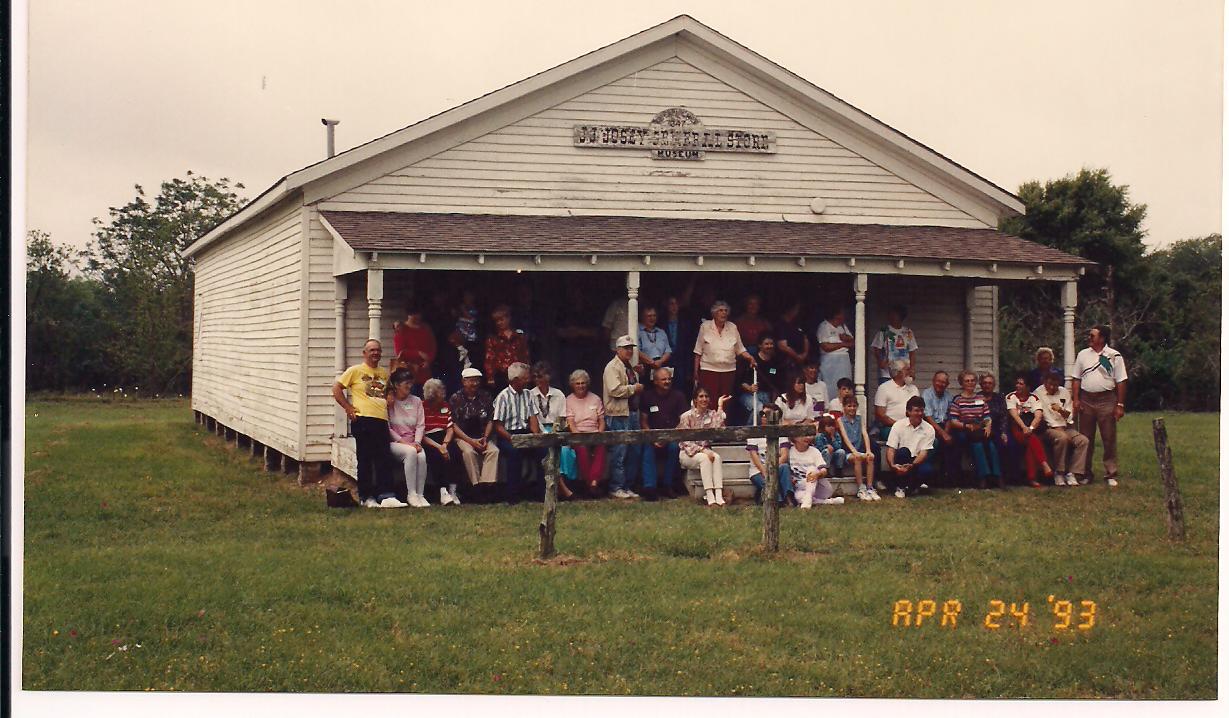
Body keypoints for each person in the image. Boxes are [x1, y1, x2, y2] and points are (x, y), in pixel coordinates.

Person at [331, 339, 405, 508]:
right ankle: (366, 496)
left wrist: (390, 395)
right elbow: (336, 389)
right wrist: (348, 407)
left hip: (381, 420)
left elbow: (388, 390)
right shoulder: (355, 371)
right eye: (371, 350)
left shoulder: (384, 373)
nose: (375, 353)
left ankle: (386, 495)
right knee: (365, 459)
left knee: (383, 458)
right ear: (364, 353)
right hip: (363, 419)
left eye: (378, 350)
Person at [1072, 325, 1128, 487]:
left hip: (1107, 399)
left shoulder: (1114, 356)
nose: (1089, 338)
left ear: (1102, 338)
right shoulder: (1082, 354)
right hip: (1086, 399)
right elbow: (1076, 378)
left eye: (1092, 336)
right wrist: (1076, 399)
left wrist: (1120, 404)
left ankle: (1110, 473)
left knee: (1108, 437)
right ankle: (1085, 473)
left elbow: (1121, 380)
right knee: (1086, 438)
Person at [492, 362, 544, 504]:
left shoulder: (528, 394)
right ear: (515, 380)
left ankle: (541, 493)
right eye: (525, 378)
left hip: (525, 432)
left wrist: (535, 436)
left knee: (543, 451)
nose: (528, 380)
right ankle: (513, 496)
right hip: (507, 435)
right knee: (514, 453)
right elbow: (498, 426)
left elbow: (533, 417)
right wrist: (512, 438)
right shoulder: (503, 397)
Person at [946, 369, 1003, 489]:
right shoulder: (958, 399)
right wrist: (967, 426)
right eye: (967, 381)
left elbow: (987, 416)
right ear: (962, 383)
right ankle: (983, 477)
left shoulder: (980, 398)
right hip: (964, 429)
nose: (970, 383)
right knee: (978, 445)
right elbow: (953, 420)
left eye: (972, 381)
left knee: (991, 445)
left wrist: (988, 426)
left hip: (979, 428)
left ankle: (997, 476)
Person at [603, 335, 644, 499]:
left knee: (634, 451)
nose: (629, 351)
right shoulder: (612, 367)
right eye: (626, 348)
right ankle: (616, 486)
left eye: (631, 348)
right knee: (619, 452)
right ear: (618, 350)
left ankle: (628, 486)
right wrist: (634, 389)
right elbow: (614, 390)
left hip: (632, 413)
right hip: (618, 414)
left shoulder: (629, 367)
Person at [449, 367, 500, 499]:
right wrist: (470, 441)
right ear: (464, 381)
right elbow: (453, 424)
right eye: (471, 381)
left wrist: (485, 437)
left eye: (477, 380)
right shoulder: (456, 398)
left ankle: (486, 486)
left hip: (483, 436)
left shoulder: (485, 396)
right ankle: (475, 487)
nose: (475, 384)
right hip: (463, 437)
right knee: (469, 452)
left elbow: (491, 419)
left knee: (493, 451)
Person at [640, 366, 688, 500]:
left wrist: (669, 438)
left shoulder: (679, 396)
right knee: (647, 449)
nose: (667, 382)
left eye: (669, 379)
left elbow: (684, 421)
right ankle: (649, 488)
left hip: (673, 436)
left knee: (674, 448)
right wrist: (652, 438)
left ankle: (668, 485)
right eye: (663, 379)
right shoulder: (647, 396)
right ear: (655, 381)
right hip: (652, 436)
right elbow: (643, 421)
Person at [677, 387, 731, 506]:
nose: (704, 399)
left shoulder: (711, 414)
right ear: (695, 400)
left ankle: (718, 495)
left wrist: (720, 406)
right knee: (705, 458)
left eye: (706, 396)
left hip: (705, 451)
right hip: (688, 452)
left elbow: (720, 428)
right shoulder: (686, 416)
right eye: (701, 396)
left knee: (716, 457)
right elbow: (684, 440)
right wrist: (702, 450)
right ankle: (710, 496)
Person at [693, 300, 756, 400]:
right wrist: (696, 371)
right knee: (709, 399)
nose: (724, 313)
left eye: (726, 311)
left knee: (725, 400)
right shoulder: (705, 327)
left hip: (728, 370)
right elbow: (698, 351)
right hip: (709, 370)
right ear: (714, 313)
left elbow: (740, 349)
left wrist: (750, 357)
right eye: (721, 310)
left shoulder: (733, 327)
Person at [1037, 370, 1090, 487]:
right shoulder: (1038, 393)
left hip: (1065, 426)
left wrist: (1061, 410)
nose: (1052, 387)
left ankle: (1072, 473)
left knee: (1083, 441)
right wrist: (1059, 430)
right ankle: (1059, 472)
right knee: (1062, 438)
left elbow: (1069, 416)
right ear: (1045, 382)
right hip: (1048, 428)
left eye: (1055, 385)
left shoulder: (1064, 392)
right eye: (1050, 384)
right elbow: (1045, 416)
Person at [386, 369, 430, 507]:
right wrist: (406, 443)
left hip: (413, 441)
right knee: (410, 452)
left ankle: (420, 495)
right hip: (395, 442)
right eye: (406, 383)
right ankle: (411, 494)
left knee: (421, 456)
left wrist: (417, 442)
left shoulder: (416, 401)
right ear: (397, 385)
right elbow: (388, 428)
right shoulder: (389, 402)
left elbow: (420, 425)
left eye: (411, 383)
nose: (410, 386)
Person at [530, 361, 574, 499]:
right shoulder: (530, 395)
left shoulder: (558, 394)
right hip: (540, 431)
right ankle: (562, 489)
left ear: (548, 377)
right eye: (535, 376)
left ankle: (561, 486)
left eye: (540, 376)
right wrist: (544, 433)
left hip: (557, 430)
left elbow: (562, 418)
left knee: (565, 451)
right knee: (548, 452)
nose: (537, 380)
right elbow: (534, 421)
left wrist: (556, 431)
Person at [1005, 373, 1055, 488]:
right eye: (1017, 383)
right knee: (1032, 439)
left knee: (1030, 446)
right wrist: (1024, 428)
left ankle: (1032, 478)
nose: (1018, 386)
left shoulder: (1034, 398)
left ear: (1028, 387)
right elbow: (1014, 415)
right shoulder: (1011, 397)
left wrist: (1031, 428)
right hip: (1016, 427)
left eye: (1021, 384)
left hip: (1031, 428)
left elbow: (1038, 416)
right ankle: (1044, 464)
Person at [564, 369, 607, 497]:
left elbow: (601, 420)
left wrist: (599, 433)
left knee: (601, 447)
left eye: (583, 383)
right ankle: (590, 484)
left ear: (587, 384)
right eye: (577, 383)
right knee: (582, 449)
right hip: (578, 434)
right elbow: (571, 423)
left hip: (595, 433)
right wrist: (578, 436)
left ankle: (593, 482)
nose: (581, 386)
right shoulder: (568, 400)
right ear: (572, 385)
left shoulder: (595, 399)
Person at [421, 377, 463, 506]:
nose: (444, 393)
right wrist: (439, 447)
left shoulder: (445, 405)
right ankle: (442, 491)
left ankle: (453, 490)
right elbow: (421, 433)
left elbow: (450, 428)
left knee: (455, 453)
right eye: (441, 391)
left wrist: (444, 444)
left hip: (444, 437)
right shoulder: (421, 407)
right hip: (428, 439)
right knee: (436, 456)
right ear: (433, 394)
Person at [885, 396, 937, 498]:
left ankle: (911, 487)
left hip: (916, 462)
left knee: (928, 470)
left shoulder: (929, 429)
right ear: (908, 412)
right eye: (916, 411)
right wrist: (892, 465)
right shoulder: (898, 425)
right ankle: (901, 487)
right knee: (904, 451)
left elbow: (923, 453)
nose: (920, 413)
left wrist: (912, 465)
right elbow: (891, 449)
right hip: (901, 459)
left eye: (922, 410)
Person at [735, 332, 786, 425]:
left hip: (766, 395)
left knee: (771, 412)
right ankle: (749, 431)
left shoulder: (775, 362)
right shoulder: (752, 360)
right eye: (766, 344)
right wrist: (750, 388)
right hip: (749, 395)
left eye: (771, 344)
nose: (769, 346)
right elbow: (740, 381)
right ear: (760, 345)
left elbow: (775, 384)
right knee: (759, 408)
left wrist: (774, 401)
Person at [746, 407, 792, 506]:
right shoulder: (754, 433)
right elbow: (754, 456)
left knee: (785, 467)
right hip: (758, 470)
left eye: (766, 414)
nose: (763, 416)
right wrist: (765, 471)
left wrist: (772, 468)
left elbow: (784, 455)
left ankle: (789, 498)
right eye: (762, 413)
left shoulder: (782, 435)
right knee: (767, 483)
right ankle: (778, 501)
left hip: (776, 466)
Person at [921, 370, 959, 487]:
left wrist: (946, 432)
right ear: (933, 381)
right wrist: (943, 434)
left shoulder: (949, 396)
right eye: (938, 381)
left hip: (945, 426)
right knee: (939, 442)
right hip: (930, 425)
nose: (941, 384)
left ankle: (951, 477)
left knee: (956, 440)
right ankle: (935, 478)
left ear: (947, 384)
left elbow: (950, 416)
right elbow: (928, 417)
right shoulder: (927, 394)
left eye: (944, 382)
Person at [836, 395, 878, 501]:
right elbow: (845, 438)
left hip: (859, 450)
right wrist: (854, 451)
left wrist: (868, 450)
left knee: (870, 457)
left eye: (854, 406)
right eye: (849, 406)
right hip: (848, 452)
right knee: (857, 458)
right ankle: (861, 488)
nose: (852, 408)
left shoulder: (859, 419)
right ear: (844, 407)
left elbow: (865, 434)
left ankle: (870, 487)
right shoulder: (840, 420)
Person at [787, 433, 843, 508]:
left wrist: (817, 474)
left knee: (812, 469)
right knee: (798, 498)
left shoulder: (814, 451)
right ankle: (828, 502)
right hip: (801, 487)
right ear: (794, 438)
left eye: (809, 435)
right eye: (803, 435)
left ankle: (808, 499)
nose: (807, 438)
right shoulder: (790, 451)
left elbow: (824, 470)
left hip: (819, 487)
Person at [391, 304, 438, 389]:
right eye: (414, 314)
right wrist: (418, 353)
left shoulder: (426, 328)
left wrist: (428, 361)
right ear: (408, 315)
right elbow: (400, 352)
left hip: (425, 373)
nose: (417, 317)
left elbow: (433, 346)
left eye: (419, 314)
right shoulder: (401, 329)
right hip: (408, 373)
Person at [484, 305, 530, 390]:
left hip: (518, 374)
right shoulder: (493, 338)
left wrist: (527, 373)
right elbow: (489, 358)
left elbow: (525, 355)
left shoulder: (519, 336)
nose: (499, 323)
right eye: (497, 321)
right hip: (501, 375)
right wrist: (490, 377)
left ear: (508, 318)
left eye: (501, 319)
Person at [978, 372, 1013, 481]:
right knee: (986, 444)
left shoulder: (999, 397)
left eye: (990, 383)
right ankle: (987, 477)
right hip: (982, 428)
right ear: (981, 385)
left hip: (998, 428)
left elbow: (1004, 416)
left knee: (1006, 443)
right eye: (985, 383)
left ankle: (1003, 477)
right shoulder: (977, 398)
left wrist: (1004, 432)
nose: (987, 385)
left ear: (993, 385)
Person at [874, 360, 920, 441]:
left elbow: (920, 410)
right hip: (891, 427)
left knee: (933, 441)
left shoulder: (914, 389)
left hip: (913, 427)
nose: (910, 373)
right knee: (907, 438)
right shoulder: (884, 388)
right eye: (907, 370)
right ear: (898, 373)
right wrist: (900, 425)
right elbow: (880, 415)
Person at [870, 305, 918, 384]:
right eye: (890, 314)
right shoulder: (884, 331)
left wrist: (912, 369)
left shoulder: (908, 332)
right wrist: (880, 361)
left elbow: (912, 352)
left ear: (901, 316)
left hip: (903, 373)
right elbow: (876, 348)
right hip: (887, 374)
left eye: (894, 314)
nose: (891, 316)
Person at [816, 307, 854, 400]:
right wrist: (843, 344)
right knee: (830, 386)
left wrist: (846, 338)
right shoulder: (824, 326)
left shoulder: (842, 327)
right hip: (830, 361)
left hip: (844, 361)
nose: (845, 316)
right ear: (837, 315)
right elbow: (825, 346)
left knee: (845, 384)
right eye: (842, 313)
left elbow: (853, 342)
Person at [663, 294, 698, 390]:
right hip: (665, 362)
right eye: (671, 304)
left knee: (680, 389)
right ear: (667, 306)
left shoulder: (685, 324)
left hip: (681, 363)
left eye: (676, 304)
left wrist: (689, 370)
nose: (674, 306)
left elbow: (689, 347)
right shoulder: (661, 324)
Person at [637, 306, 672, 379]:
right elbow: (636, 351)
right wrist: (652, 362)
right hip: (645, 368)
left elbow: (668, 351)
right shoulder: (637, 332)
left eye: (654, 316)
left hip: (661, 367)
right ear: (642, 317)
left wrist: (660, 361)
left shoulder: (661, 332)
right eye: (649, 316)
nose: (652, 318)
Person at [776, 301, 811, 370]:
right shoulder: (781, 325)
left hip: (801, 361)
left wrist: (805, 354)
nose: (797, 312)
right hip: (786, 363)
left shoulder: (797, 323)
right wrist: (797, 357)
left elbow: (805, 338)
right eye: (796, 309)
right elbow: (783, 346)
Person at [815, 415, 848, 479]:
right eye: (829, 426)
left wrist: (833, 438)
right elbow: (818, 448)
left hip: (834, 455)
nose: (831, 428)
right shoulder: (819, 436)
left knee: (841, 451)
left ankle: (838, 469)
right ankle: (826, 470)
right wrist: (826, 446)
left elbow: (838, 446)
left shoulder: (836, 435)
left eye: (832, 426)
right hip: (824, 456)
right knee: (826, 451)